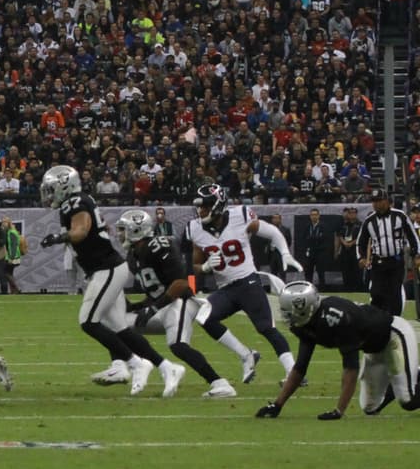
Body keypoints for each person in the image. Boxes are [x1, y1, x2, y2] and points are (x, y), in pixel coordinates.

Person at [38, 165, 183, 395]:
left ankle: (135, 364)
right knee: (119, 328)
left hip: (107, 269)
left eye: (51, 189)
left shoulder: (74, 202)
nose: (48, 194)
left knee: (88, 321)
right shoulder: (80, 200)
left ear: (64, 186)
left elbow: (81, 230)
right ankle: (166, 367)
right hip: (106, 268)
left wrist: (59, 236)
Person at [188, 184, 302, 384]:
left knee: (266, 328)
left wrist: (285, 253)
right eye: (199, 206)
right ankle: (245, 355)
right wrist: (204, 267)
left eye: (205, 206)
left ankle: (293, 373)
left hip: (248, 282)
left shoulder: (240, 215)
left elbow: (272, 232)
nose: (201, 210)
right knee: (204, 317)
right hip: (226, 289)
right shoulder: (195, 228)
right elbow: (194, 266)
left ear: (217, 205)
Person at [256, 281, 418, 419]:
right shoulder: (306, 324)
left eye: (289, 312)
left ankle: (410, 376)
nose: (286, 317)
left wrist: (339, 411)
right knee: (370, 407)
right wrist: (277, 405)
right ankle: (401, 380)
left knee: (407, 400)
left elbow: (351, 367)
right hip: (373, 349)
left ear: (304, 309)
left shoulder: (336, 319)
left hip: (393, 336)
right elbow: (300, 367)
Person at [116, 209, 235, 397]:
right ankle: (134, 367)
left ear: (136, 229)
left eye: (123, 229)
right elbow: (156, 292)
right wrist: (138, 306)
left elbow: (180, 283)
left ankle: (220, 384)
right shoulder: (133, 256)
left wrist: (152, 308)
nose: (119, 234)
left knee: (178, 346)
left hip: (180, 302)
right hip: (163, 305)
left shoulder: (158, 246)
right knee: (118, 326)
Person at [357, 188, 419, 316]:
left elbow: (412, 236)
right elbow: (360, 241)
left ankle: (395, 319)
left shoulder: (400, 216)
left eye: (378, 201)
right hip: (378, 261)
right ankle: (377, 318)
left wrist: (416, 254)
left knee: (395, 292)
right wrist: (361, 257)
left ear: (386, 201)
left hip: (396, 261)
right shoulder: (369, 221)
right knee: (376, 292)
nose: (375, 204)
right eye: (374, 201)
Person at [336, 206, 363, 291]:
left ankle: (357, 289)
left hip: (355, 250)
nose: (351, 215)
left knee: (356, 270)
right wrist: (344, 242)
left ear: (356, 214)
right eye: (350, 213)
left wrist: (352, 243)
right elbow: (340, 235)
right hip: (345, 250)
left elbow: (361, 237)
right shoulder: (344, 224)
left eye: (353, 213)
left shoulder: (360, 224)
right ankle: (347, 288)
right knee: (346, 270)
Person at [302, 209, 328, 286]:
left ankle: (323, 289)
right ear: (310, 216)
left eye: (315, 215)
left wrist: (312, 238)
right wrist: (316, 237)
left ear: (319, 216)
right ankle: (308, 288)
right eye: (312, 215)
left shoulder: (323, 226)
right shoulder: (307, 226)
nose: (314, 216)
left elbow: (324, 238)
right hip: (310, 252)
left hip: (320, 252)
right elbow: (304, 238)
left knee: (321, 273)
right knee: (308, 272)